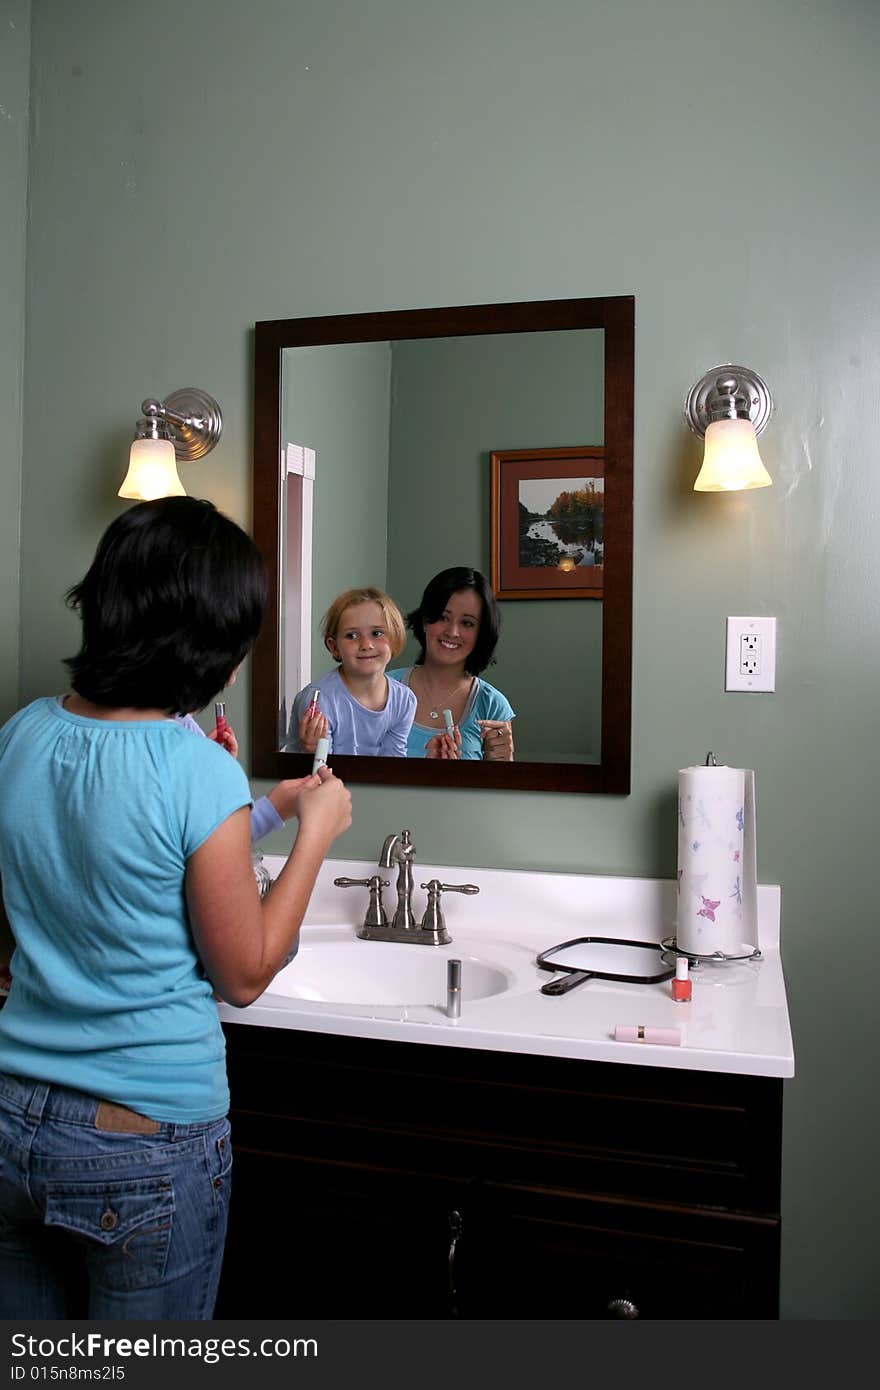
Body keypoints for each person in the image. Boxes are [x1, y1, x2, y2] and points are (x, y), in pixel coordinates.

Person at [0, 496, 351, 1320]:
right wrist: (316, 834)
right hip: (144, 1142)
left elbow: (92, 869)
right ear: (210, 643)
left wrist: (262, 810)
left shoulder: (21, 736)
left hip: (14, 1119)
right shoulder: (196, 771)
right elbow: (245, 972)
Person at [388, 566, 515, 760]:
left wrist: (501, 763)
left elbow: (500, 788)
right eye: (442, 617)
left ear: (481, 633)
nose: (452, 632)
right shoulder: (383, 689)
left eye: (467, 623)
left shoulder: (492, 705)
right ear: (425, 621)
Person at [285, 587, 416, 757]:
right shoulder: (319, 700)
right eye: (352, 636)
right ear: (334, 647)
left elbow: (393, 765)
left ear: (395, 637)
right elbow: (320, 772)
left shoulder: (404, 700)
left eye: (377, 633)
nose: (366, 645)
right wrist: (313, 751)